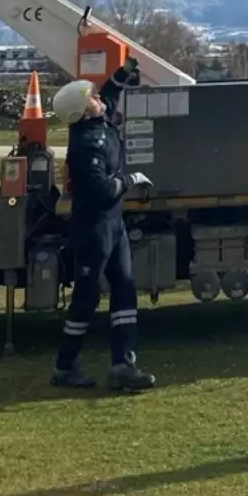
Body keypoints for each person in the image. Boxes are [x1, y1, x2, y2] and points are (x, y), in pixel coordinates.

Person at [50, 61, 157, 391]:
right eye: (92, 97)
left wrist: (122, 74)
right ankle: (65, 365)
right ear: (83, 112)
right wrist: (130, 180)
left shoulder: (98, 119)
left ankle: (124, 364)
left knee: (124, 286)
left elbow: (109, 94)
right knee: (86, 297)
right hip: (95, 228)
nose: (98, 97)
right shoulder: (86, 146)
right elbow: (99, 190)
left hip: (113, 225)